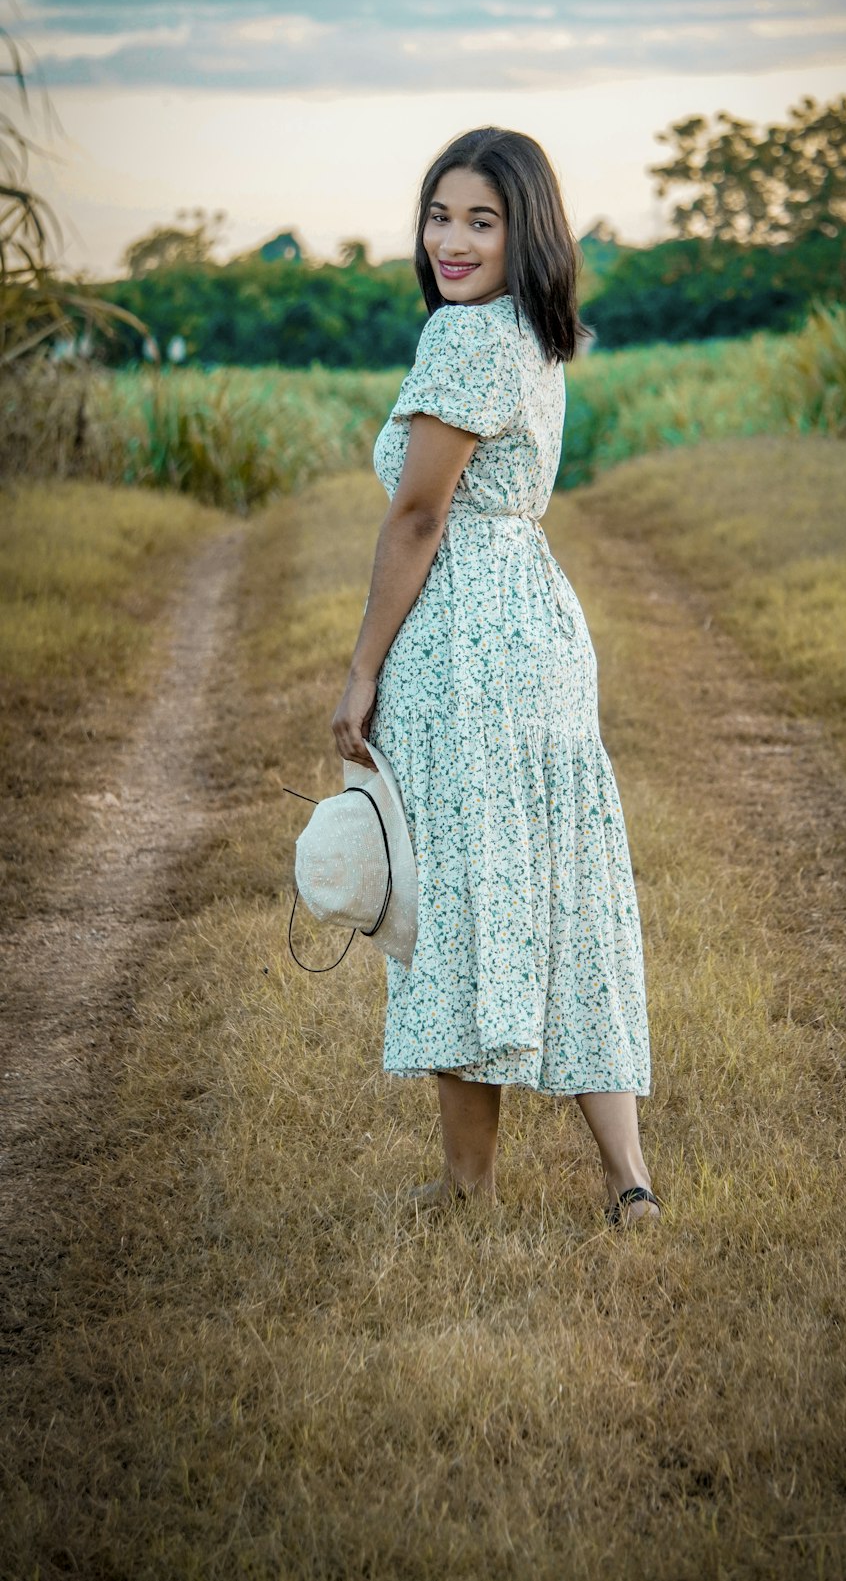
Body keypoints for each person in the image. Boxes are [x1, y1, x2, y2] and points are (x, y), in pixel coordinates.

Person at [330, 126, 659, 1227]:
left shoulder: (466, 339)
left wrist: (362, 666)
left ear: (525, 230)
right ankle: (630, 1180)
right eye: (439, 215)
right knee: (562, 894)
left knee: (463, 897)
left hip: (466, 638)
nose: (452, 240)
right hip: (537, 624)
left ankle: (466, 1192)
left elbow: (418, 517)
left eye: (482, 219)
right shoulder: (535, 330)